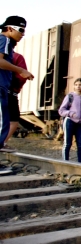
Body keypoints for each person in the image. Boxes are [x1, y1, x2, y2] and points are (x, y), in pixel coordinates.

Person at [0, 16, 33, 160]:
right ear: (9, 28)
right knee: (3, 122)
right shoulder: (5, 40)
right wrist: (20, 70)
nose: (22, 34)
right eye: (21, 30)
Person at [58, 78, 81, 163]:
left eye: (80, 85)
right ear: (74, 86)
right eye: (76, 85)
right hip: (70, 121)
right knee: (67, 143)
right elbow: (61, 110)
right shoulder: (70, 96)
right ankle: (65, 162)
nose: (78, 87)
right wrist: (71, 113)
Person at [4, 52, 28, 149]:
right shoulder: (17, 57)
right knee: (13, 120)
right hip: (10, 92)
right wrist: (16, 88)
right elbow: (22, 76)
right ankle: (2, 142)